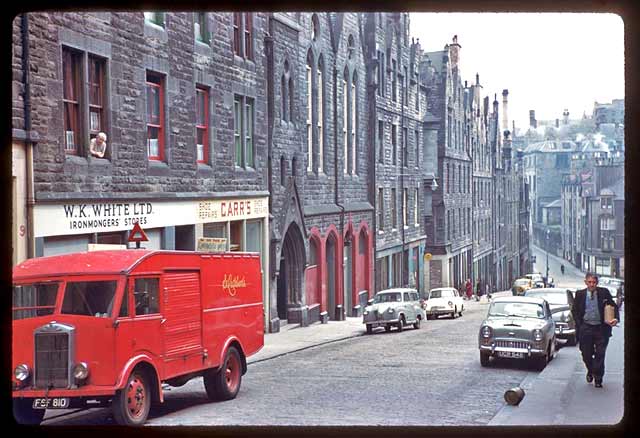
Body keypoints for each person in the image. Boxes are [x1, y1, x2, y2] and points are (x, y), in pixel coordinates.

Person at [571, 272, 619, 388]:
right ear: (585, 282)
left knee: (600, 354)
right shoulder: (580, 294)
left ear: (597, 283)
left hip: (601, 329)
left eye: (594, 282)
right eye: (589, 282)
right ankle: (591, 369)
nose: (592, 285)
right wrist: (579, 324)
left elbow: (613, 306)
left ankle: (598, 378)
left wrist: (615, 318)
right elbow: (575, 310)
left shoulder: (604, 293)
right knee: (586, 353)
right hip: (586, 327)